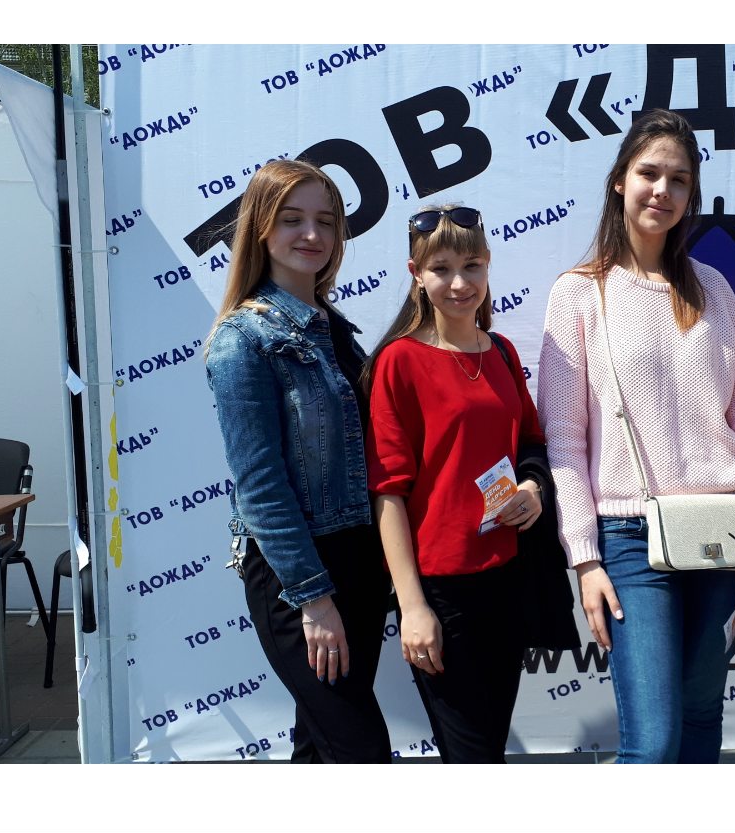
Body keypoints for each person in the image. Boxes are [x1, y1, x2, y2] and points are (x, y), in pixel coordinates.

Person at [536, 108, 735, 764]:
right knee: (653, 740)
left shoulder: (714, 288)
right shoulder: (579, 294)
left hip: (721, 532)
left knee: (701, 723)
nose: (662, 190)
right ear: (619, 180)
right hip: (627, 537)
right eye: (649, 173)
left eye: (679, 179)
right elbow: (565, 440)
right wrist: (584, 558)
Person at [203, 159, 391, 763]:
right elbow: (260, 486)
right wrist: (313, 598)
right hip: (296, 575)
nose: (312, 234)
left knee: (320, 745)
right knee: (360, 751)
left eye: (326, 221)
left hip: (358, 560)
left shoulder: (334, 329)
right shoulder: (243, 340)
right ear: (260, 228)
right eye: (292, 220)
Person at [364, 205, 545, 763]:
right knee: (472, 756)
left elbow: (531, 443)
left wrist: (533, 489)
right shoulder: (399, 361)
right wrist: (413, 606)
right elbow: (387, 492)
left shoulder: (502, 351)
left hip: (507, 579)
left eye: (471, 266)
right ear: (416, 274)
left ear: (488, 265)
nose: (460, 283)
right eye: (441, 269)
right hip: (442, 592)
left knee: (488, 748)